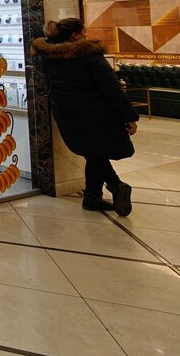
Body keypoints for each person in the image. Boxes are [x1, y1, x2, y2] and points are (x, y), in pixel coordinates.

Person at [31, 18, 136, 215]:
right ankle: (115, 185)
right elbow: (112, 89)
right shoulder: (89, 56)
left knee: (94, 154)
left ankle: (92, 197)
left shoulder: (47, 57)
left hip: (67, 116)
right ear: (75, 35)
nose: (87, 36)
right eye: (84, 32)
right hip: (96, 115)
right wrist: (129, 117)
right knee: (97, 152)